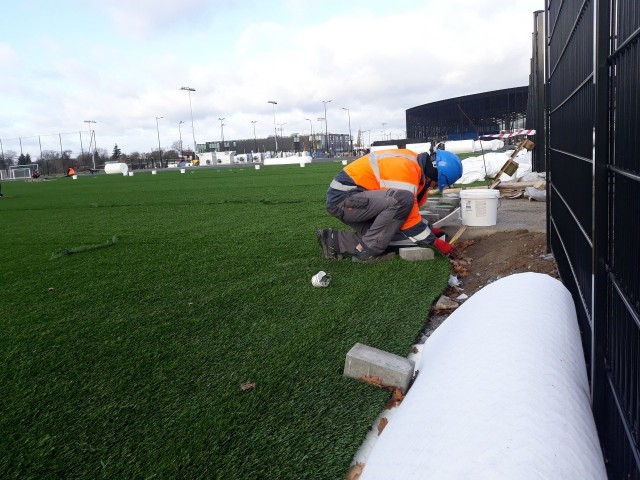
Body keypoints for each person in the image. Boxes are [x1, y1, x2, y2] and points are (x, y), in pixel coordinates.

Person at [316, 148, 463, 263]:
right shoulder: (405, 168)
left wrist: (429, 229)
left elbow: (406, 215)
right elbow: (406, 215)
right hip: (344, 199)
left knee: (389, 236)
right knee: (402, 201)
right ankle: (366, 253)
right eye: (436, 184)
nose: (433, 187)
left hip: (357, 200)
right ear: (435, 173)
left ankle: (334, 240)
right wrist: (434, 241)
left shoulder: (415, 166)